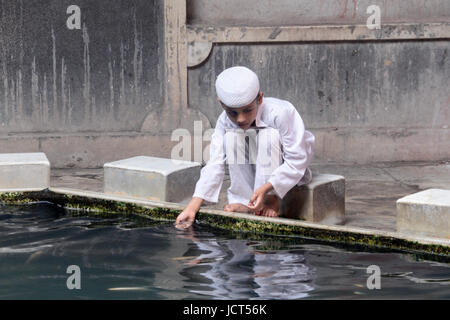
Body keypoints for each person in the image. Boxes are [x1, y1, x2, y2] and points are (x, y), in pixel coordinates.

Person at [175, 66, 315, 229]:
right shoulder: (224, 122)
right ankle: (244, 202)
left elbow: (297, 159)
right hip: (253, 160)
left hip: (285, 163)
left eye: (248, 110)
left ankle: (270, 199)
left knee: (268, 137)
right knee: (232, 136)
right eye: (232, 113)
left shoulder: (281, 112)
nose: (241, 119)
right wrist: (192, 207)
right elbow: (215, 163)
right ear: (221, 105)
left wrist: (266, 188)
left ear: (260, 99)